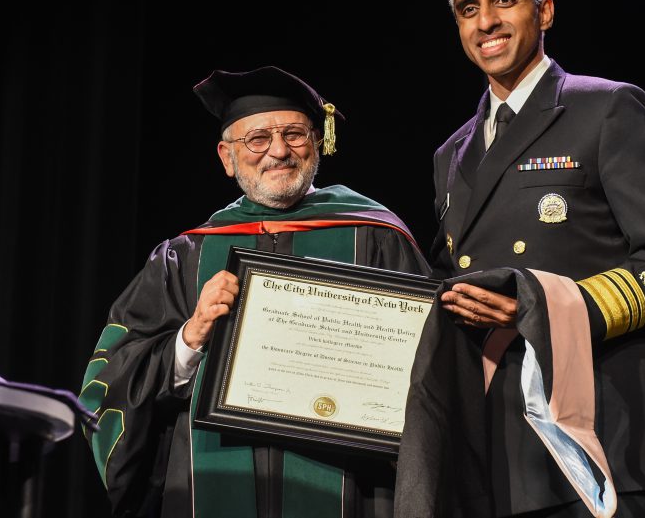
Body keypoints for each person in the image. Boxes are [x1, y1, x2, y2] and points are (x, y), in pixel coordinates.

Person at [394, 0, 645, 518]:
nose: (486, 21)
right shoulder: (451, 154)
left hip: (602, 434)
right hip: (499, 448)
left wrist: (548, 308)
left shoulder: (607, 109)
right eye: (468, 9)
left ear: (543, 11)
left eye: (503, 0)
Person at [78, 66, 430, 518]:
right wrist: (191, 337)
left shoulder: (377, 237)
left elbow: (433, 370)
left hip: (352, 487)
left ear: (318, 144)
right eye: (258, 139)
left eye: (295, 135)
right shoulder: (186, 255)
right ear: (227, 156)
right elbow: (108, 384)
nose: (279, 151)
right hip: (213, 483)